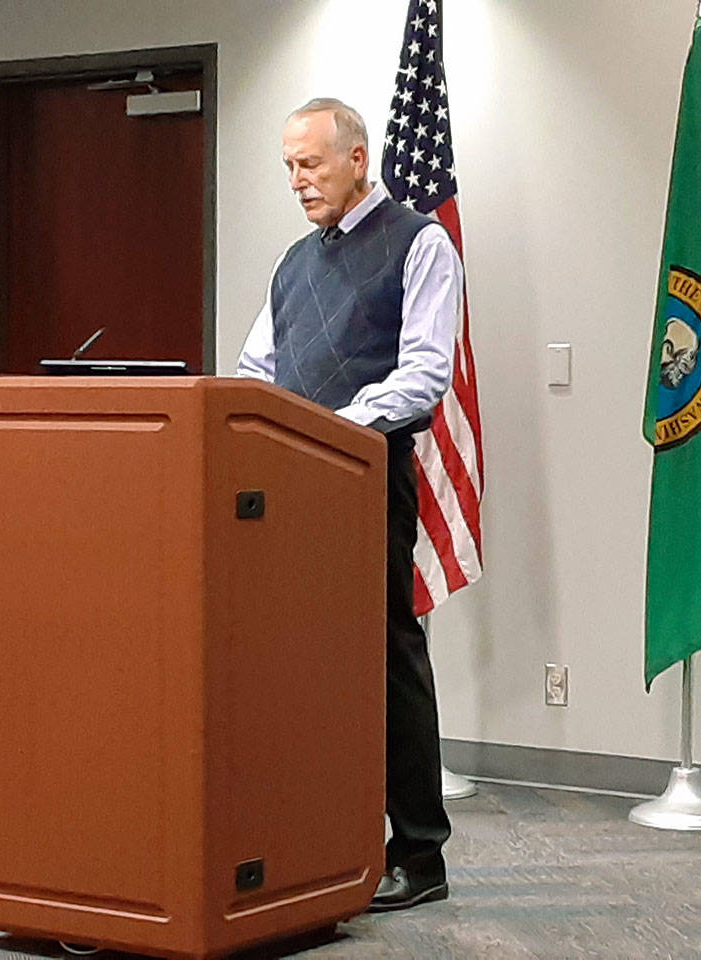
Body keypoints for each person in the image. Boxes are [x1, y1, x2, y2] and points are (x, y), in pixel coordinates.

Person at [236, 97, 462, 913]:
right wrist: (272, 430)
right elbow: (256, 367)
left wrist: (326, 430)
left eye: (311, 164)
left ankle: (420, 853)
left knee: (382, 654)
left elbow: (424, 374)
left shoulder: (418, 242)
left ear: (357, 158)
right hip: (287, 486)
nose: (297, 180)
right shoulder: (294, 262)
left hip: (365, 478)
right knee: (298, 658)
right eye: (289, 167)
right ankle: (320, 839)